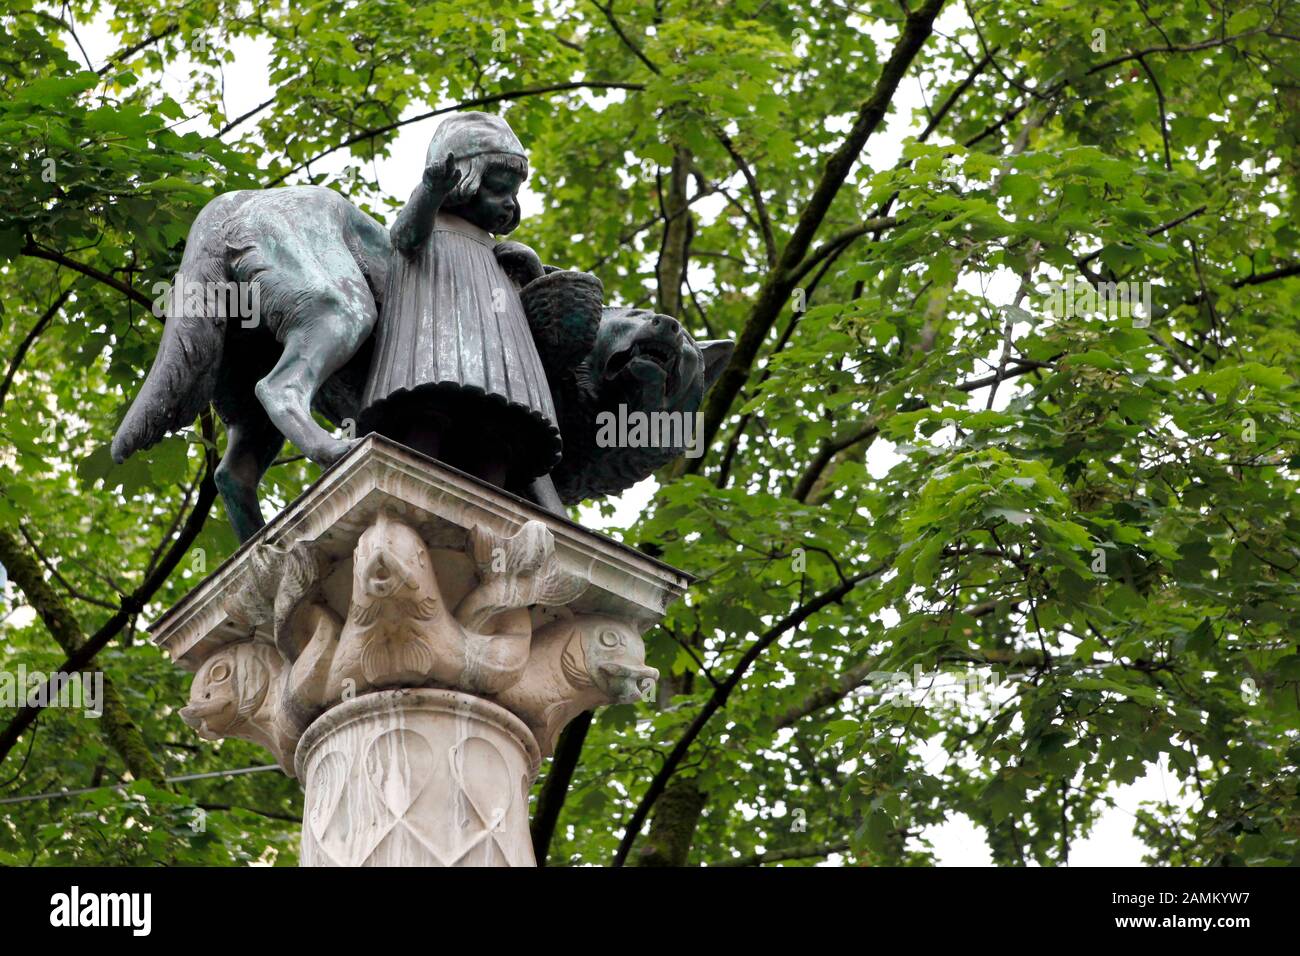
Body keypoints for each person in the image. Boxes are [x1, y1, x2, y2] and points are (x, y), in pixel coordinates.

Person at [358, 112, 560, 493]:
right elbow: (403, 236)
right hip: (434, 346)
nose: (510, 205)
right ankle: (414, 490)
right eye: (499, 190)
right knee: (430, 413)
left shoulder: (494, 247)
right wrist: (430, 192)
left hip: (498, 354)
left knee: (499, 427)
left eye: (514, 195)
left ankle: (495, 504)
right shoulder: (432, 224)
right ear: (466, 183)